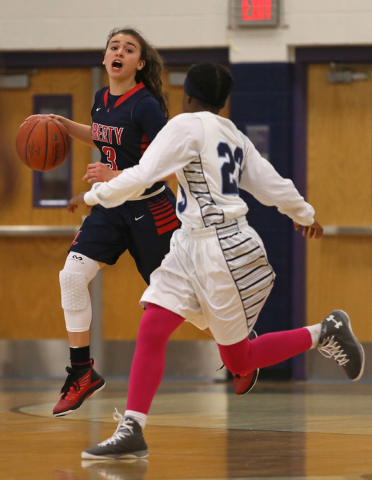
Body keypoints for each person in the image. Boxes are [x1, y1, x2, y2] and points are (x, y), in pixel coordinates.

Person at [73, 61, 364, 460]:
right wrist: (305, 215)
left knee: (238, 357)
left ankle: (326, 330)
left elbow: (142, 175)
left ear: (187, 96)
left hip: (222, 249)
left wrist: (90, 197)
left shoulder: (184, 125)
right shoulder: (233, 135)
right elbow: (273, 185)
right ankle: (133, 428)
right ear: (223, 102)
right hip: (189, 243)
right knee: (153, 325)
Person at [25, 27, 182, 417]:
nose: (120, 52)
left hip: (152, 208)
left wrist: (114, 176)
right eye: (114, 46)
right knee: (72, 276)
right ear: (105, 57)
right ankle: (82, 372)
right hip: (112, 210)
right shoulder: (101, 100)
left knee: (184, 298)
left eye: (129, 49)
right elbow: (102, 137)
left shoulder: (146, 105)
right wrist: (63, 125)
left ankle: (241, 348)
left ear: (139, 64)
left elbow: (165, 161)